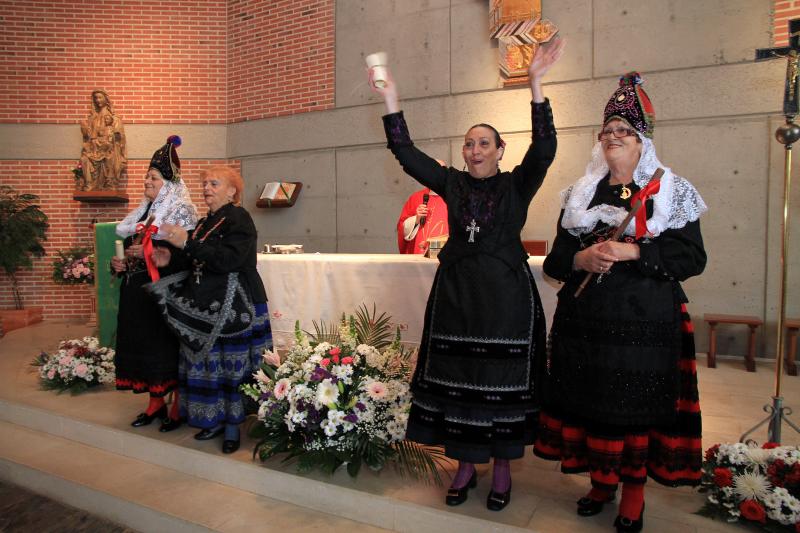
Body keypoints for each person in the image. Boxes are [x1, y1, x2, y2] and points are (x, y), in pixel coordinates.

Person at [369, 37, 565, 510]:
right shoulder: (451, 183)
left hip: (506, 300)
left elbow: (545, 148)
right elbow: (405, 152)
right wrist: (391, 99)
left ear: (500, 150)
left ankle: (502, 470)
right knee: (458, 381)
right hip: (456, 298)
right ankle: (463, 465)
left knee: (501, 386)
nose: (475, 150)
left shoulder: (518, 184)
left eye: (484, 143)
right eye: (469, 143)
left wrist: (536, 83)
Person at [534, 73, 707, 532]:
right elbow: (556, 261)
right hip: (586, 323)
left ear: (642, 140)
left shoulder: (670, 191)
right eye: (607, 130)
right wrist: (582, 258)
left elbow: (691, 257)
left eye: (624, 131)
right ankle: (601, 481)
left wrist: (633, 252)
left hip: (645, 326)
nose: (613, 137)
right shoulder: (580, 194)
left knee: (634, 410)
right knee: (592, 404)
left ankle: (633, 492)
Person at [150, 165, 272, 454]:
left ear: (232, 191)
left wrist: (186, 242)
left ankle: (233, 426)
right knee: (211, 367)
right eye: (205, 183)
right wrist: (170, 258)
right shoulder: (205, 222)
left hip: (236, 305)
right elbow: (194, 259)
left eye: (214, 183)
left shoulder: (239, 218)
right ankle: (215, 419)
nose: (206, 188)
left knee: (231, 368)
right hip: (207, 304)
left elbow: (229, 260)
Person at [112, 135, 198, 432]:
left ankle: (178, 404)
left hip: (166, 295)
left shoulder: (181, 213)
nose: (146, 181)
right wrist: (119, 265)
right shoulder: (142, 213)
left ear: (169, 186)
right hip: (137, 294)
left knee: (165, 348)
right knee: (143, 345)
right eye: (146, 177)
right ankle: (155, 401)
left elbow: (186, 258)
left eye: (153, 177)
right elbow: (130, 248)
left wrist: (150, 254)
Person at [397, 160, 449, 254]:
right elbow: (402, 229)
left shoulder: (455, 197)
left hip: (447, 253)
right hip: (421, 254)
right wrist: (416, 220)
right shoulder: (415, 198)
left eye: (441, 170)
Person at [79, 89, 127, 190]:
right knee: (85, 159)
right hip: (96, 148)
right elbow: (90, 138)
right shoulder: (93, 119)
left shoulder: (114, 118)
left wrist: (110, 138)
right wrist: (85, 131)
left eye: (100, 97)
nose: (98, 100)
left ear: (106, 99)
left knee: (110, 157)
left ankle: (109, 183)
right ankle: (90, 184)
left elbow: (118, 137)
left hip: (109, 148)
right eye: (95, 98)